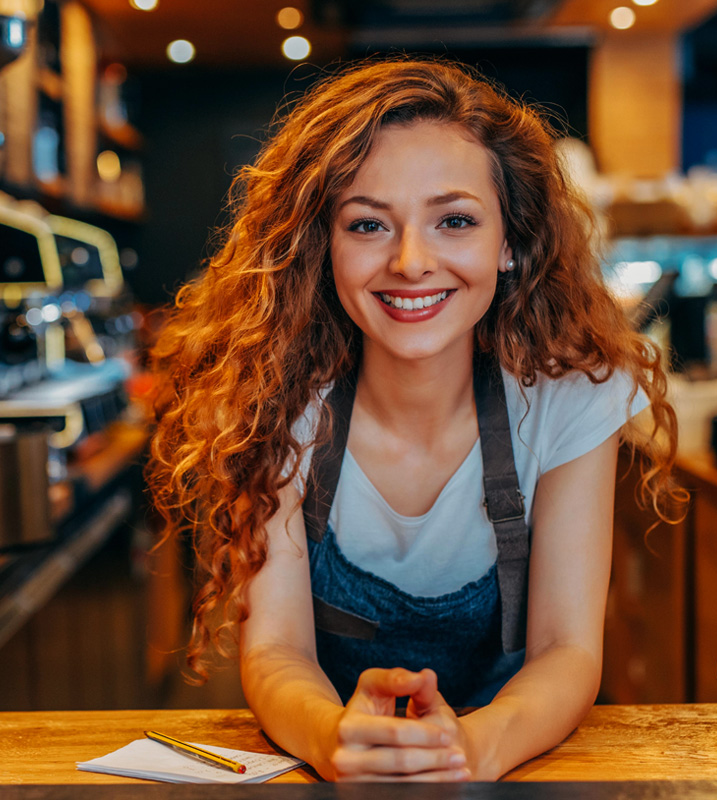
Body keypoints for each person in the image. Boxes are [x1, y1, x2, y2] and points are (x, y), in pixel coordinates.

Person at [147, 57, 680, 782]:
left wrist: (474, 747)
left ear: (510, 244)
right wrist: (336, 738)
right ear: (322, 246)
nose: (410, 261)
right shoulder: (269, 402)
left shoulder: (569, 396)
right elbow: (277, 652)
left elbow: (567, 650)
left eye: (454, 220)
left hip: (514, 767)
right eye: (368, 224)